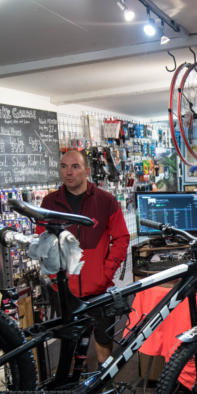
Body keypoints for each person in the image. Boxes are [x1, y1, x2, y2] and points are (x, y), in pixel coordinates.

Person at [38, 149, 130, 365]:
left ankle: (103, 381)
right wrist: (54, 277)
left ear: (87, 171)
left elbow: (121, 238)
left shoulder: (106, 201)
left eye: (75, 167)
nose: (68, 172)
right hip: (63, 289)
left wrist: (106, 272)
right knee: (70, 341)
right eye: (64, 166)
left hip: (99, 288)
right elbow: (42, 243)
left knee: (103, 339)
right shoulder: (49, 203)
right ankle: (72, 389)